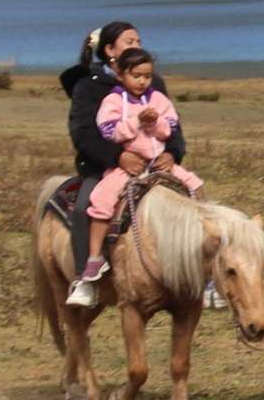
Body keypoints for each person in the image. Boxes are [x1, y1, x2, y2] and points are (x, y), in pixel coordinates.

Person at [69, 47, 202, 306]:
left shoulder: (159, 100)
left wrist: (155, 123)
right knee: (102, 200)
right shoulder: (113, 101)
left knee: (195, 188)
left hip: (159, 165)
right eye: (136, 76)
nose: (142, 81)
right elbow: (109, 131)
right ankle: (94, 258)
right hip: (129, 166)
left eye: (147, 76)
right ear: (121, 75)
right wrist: (137, 122)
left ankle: (200, 258)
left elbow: (170, 128)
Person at [60, 20, 188, 275]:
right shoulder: (88, 86)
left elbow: (172, 124)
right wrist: (117, 157)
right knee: (85, 208)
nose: (137, 45)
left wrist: (172, 153)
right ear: (109, 50)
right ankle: (85, 275)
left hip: (154, 163)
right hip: (103, 167)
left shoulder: (153, 84)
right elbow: (83, 134)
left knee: (193, 203)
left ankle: (195, 275)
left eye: (139, 42)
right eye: (130, 42)